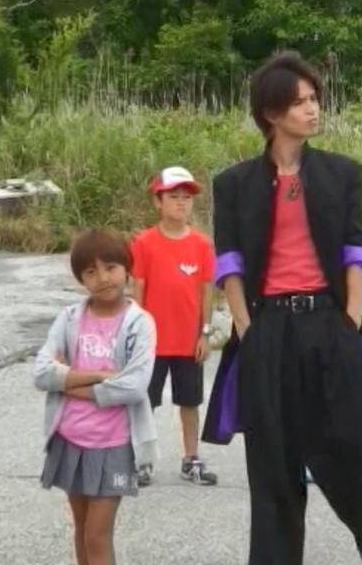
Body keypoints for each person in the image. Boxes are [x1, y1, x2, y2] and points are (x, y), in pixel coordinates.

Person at [200, 51, 362, 565]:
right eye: (300, 102)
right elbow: (230, 263)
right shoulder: (234, 183)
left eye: (314, 99)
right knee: (273, 466)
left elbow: (355, 250)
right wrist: (247, 329)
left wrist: (351, 319)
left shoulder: (342, 173)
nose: (313, 110)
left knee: (355, 444)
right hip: (268, 328)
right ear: (271, 113)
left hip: (331, 321)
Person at [33, 228, 158, 565]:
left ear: (126, 268)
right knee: (82, 528)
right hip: (70, 438)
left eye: (110, 267)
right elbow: (41, 373)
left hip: (114, 445)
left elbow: (133, 386)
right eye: (91, 271)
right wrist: (101, 376)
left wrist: (67, 382)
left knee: (97, 535)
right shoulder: (70, 319)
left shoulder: (140, 324)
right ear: (81, 280)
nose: (103, 278)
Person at [130, 166, 218, 486]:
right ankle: (142, 460)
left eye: (187, 198)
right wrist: (136, 337)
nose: (182, 203)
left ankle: (191, 459)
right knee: (145, 401)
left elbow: (207, 292)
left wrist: (204, 334)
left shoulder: (201, 245)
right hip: (153, 343)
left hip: (188, 343)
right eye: (174, 196)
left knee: (190, 402)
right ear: (158, 201)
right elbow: (138, 291)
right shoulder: (144, 243)